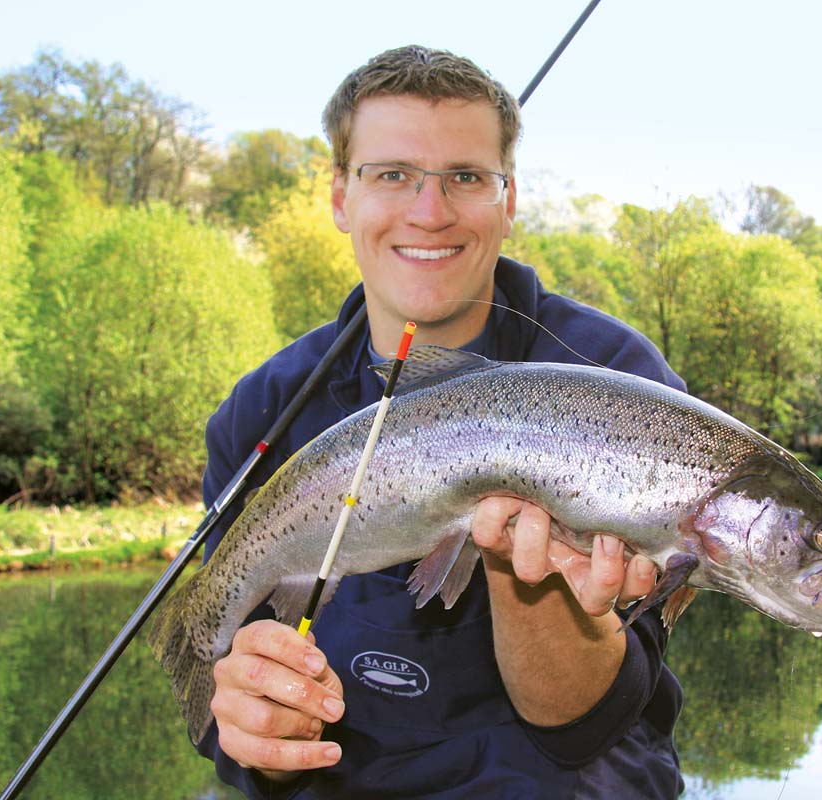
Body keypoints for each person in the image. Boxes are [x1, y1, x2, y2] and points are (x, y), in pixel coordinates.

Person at [197, 45, 687, 799]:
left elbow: (592, 722)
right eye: (392, 174)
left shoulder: (615, 381)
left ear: (509, 200)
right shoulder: (263, 407)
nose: (430, 211)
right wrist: (257, 736)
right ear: (339, 196)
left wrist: (519, 566)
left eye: (466, 177)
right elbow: (223, 707)